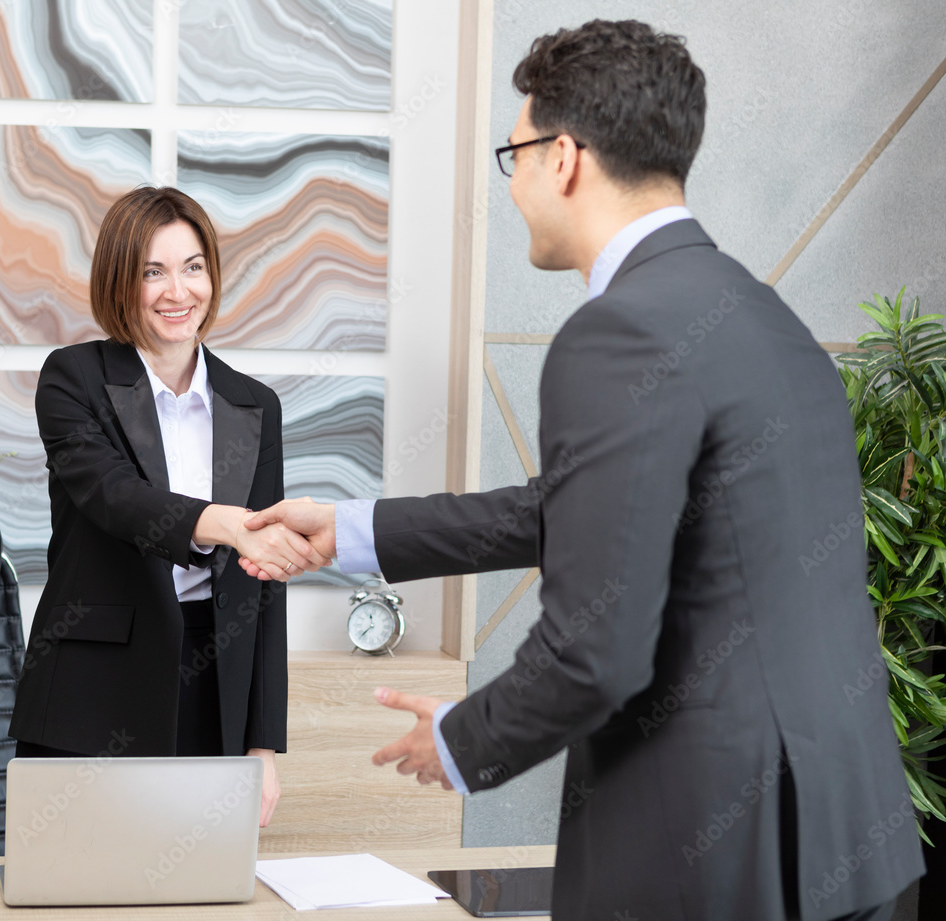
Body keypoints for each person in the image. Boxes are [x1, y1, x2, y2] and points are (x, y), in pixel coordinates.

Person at [241, 19, 925, 920]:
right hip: (848, 837)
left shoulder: (617, 332)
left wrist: (459, 738)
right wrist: (356, 532)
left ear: (562, 157)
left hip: (713, 858)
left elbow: (595, 651)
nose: (514, 184)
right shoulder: (768, 321)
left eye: (513, 154)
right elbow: (595, 509)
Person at [8, 186, 327, 826]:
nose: (177, 292)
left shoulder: (255, 405)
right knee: (72, 884)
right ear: (120, 281)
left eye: (192, 267)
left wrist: (261, 743)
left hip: (214, 683)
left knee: (196, 888)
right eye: (152, 271)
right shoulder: (73, 379)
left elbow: (264, 588)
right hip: (92, 686)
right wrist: (231, 525)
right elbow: (116, 497)